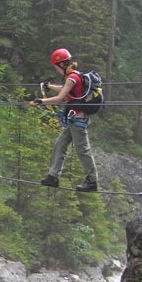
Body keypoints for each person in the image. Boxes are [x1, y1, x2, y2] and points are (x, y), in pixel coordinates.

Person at [28, 48, 98, 192]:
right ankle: (53, 177)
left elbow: (61, 98)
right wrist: (50, 86)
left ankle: (91, 181)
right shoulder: (73, 77)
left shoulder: (72, 77)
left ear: (61, 64)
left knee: (82, 150)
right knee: (60, 144)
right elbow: (66, 91)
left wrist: (41, 101)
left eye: (56, 67)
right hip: (73, 118)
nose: (56, 70)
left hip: (78, 118)